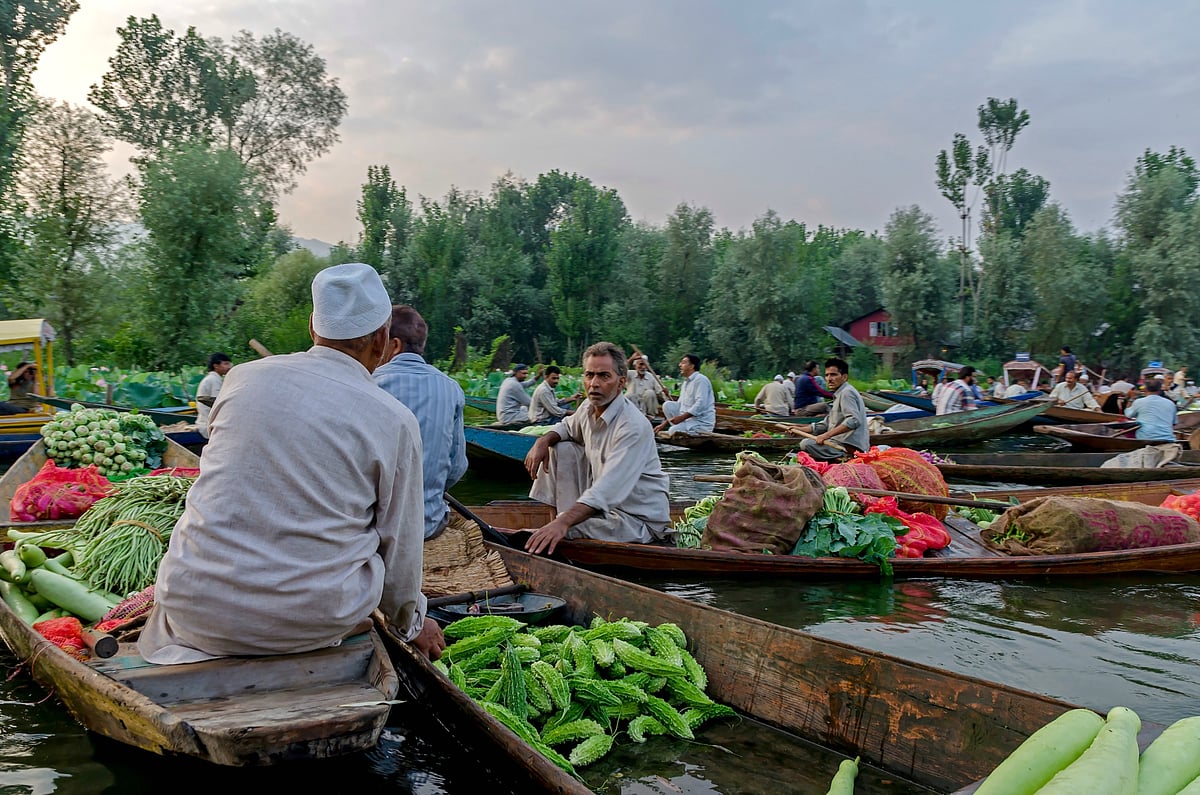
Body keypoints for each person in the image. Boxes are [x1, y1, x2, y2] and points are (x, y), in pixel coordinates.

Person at [139, 262, 443, 664]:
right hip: (309, 621)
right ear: (384, 339)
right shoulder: (395, 419)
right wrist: (412, 622)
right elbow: (401, 549)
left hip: (193, 606)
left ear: (313, 328)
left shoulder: (241, 379)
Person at [523, 341, 670, 555]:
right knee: (560, 448)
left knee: (569, 529)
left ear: (621, 383)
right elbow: (566, 428)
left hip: (636, 521)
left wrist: (564, 523)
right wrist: (543, 441)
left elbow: (607, 490)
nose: (594, 384)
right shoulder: (588, 407)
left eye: (603, 376)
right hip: (605, 511)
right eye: (589, 375)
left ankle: (555, 529)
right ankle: (553, 523)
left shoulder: (632, 426)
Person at [374, 304, 468, 540]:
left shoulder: (370, 384)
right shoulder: (451, 388)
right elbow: (457, 468)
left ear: (394, 345)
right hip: (428, 523)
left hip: (374, 527)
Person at [788, 357, 868, 461]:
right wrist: (800, 429)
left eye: (833, 375)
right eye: (827, 375)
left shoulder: (846, 393)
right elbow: (826, 424)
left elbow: (853, 420)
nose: (829, 379)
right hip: (837, 442)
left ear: (844, 377)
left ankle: (845, 457)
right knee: (806, 443)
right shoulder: (838, 394)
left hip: (848, 446)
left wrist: (826, 435)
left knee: (806, 444)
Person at [654, 354, 715, 435]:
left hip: (700, 424)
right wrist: (663, 425)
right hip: (687, 421)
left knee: (673, 431)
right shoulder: (686, 382)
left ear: (691, 366)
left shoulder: (700, 380)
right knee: (667, 405)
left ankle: (678, 429)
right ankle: (678, 427)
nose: (680, 365)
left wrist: (681, 418)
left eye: (683, 363)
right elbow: (680, 405)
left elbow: (701, 404)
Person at [194, 353, 232, 439]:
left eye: (229, 364)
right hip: (208, 422)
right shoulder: (214, 380)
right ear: (216, 366)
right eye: (225, 364)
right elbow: (218, 402)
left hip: (205, 419)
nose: (229, 367)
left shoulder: (213, 378)